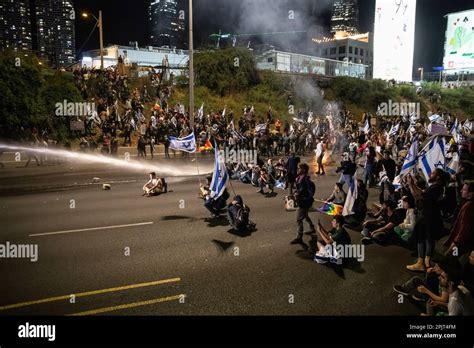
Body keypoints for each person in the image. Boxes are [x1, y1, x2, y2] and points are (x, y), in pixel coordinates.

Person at [406, 169, 448, 272]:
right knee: (426, 237)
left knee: (424, 238)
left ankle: (424, 263)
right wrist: (411, 185)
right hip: (428, 216)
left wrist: (412, 184)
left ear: (438, 177)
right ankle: (425, 262)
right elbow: (418, 195)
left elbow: (422, 195)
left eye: (433, 173)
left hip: (428, 217)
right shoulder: (435, 187)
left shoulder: (436, 188)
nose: (430, 174)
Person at [443, 182, 474, 258]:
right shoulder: (469, 204)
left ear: (471, 193)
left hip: (461, 243)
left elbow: (464, 227)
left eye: (464, 189)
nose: (461, 191)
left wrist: (455, 242)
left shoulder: (468, 206)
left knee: (451, 258)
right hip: (465, 241)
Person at [290, 163, 316, 245]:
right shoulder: (298, 178)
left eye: (299, 168)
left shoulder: (306, 180)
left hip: (304, 203)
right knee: (305, 215)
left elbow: (311, 193)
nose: (297, 169)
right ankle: (312, 228)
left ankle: (299, 237)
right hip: (300, 201)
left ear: (304, 170)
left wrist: (303, 198)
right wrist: (294, 193)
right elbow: (298, 189)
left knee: (299, 219)